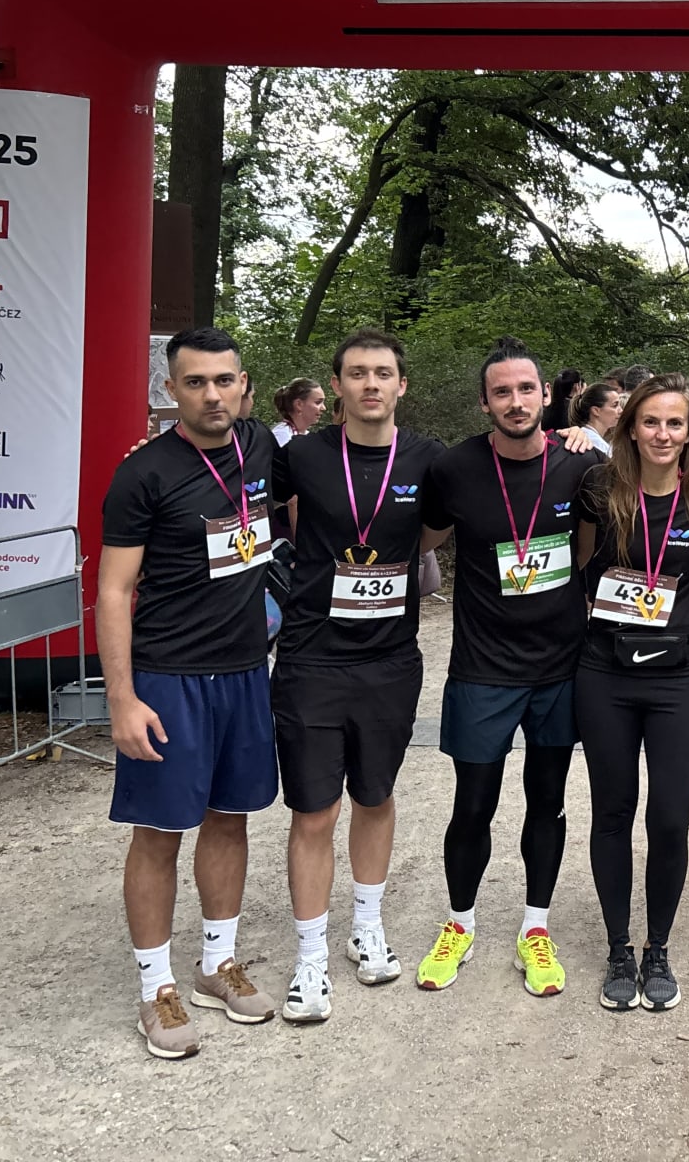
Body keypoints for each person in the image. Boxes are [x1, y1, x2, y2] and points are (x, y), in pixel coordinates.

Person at [98, 326, 282, 1059]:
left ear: (244, 386)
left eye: (224, 380)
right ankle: (156, 987)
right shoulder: (143, 473)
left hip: (244, 672)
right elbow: (114, 591)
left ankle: (216, 964)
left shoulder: (261, 447)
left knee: (230, 819)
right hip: (168, 678)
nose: (212, 394)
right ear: (170, 389)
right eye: (196, 382)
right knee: (158, 832)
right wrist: (121, 698)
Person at [415, 337, 603, 999]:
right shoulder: (454, 468)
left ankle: (535, 928)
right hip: (482, 668)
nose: (516, 402)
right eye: (502, 392)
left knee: (547, 802)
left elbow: (596, 543)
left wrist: (592, 439)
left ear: (547, 395)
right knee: (473, 804)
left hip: (559, 666)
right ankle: (460, 924)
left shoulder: (580, 464)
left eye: (527, 389)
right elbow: (420, 539)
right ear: (484, 402)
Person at [265, 329, 443, 1021]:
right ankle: (310, 957)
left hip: (390, 660)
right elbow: (225, 475)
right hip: (312, 657)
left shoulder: (427, 458)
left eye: (383, 373)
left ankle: (366, 926)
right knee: (314, 811)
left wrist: (573, 435)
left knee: (375, 796)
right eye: (358, 373)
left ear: (402, 385)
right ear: (336, 386)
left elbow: (468, 503)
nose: (372, 384)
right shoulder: (301, 455)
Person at [574, 378, 689, 1012]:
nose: (663, 434)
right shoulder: (597, 487)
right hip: (606, 672)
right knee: (612, 811)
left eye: (675, 424)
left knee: (669, 816)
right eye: (651, 422)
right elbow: (580, 565)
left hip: (679, 675)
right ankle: (619, 948)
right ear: (630, 428)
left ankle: (657, 948)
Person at [271, 378, 326, 447]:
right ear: (299, 405)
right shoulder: (282, 435)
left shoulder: (307, 435)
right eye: (318, 402)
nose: (324, 408)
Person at [571, 382, 625, 448]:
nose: (621, 411)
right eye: (615, 405)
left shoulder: (587, 436)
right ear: (596, 411)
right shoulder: (596, 444)